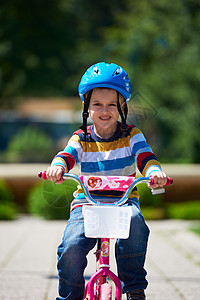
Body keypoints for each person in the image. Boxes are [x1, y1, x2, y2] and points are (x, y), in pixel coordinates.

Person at [46, 62, 168, 300]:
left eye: (112, 104)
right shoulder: (81, 138)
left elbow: (146, 158)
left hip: (123, 203)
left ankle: (134, 288)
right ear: (86, 107)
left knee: (135, 222)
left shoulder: (132, 135)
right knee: (70, 245)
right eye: (97, 104)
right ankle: (70, 295)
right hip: (87, 204)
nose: (105, 110)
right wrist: (58, 167)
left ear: (123, 106)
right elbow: (66, 155)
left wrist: (154, 173)